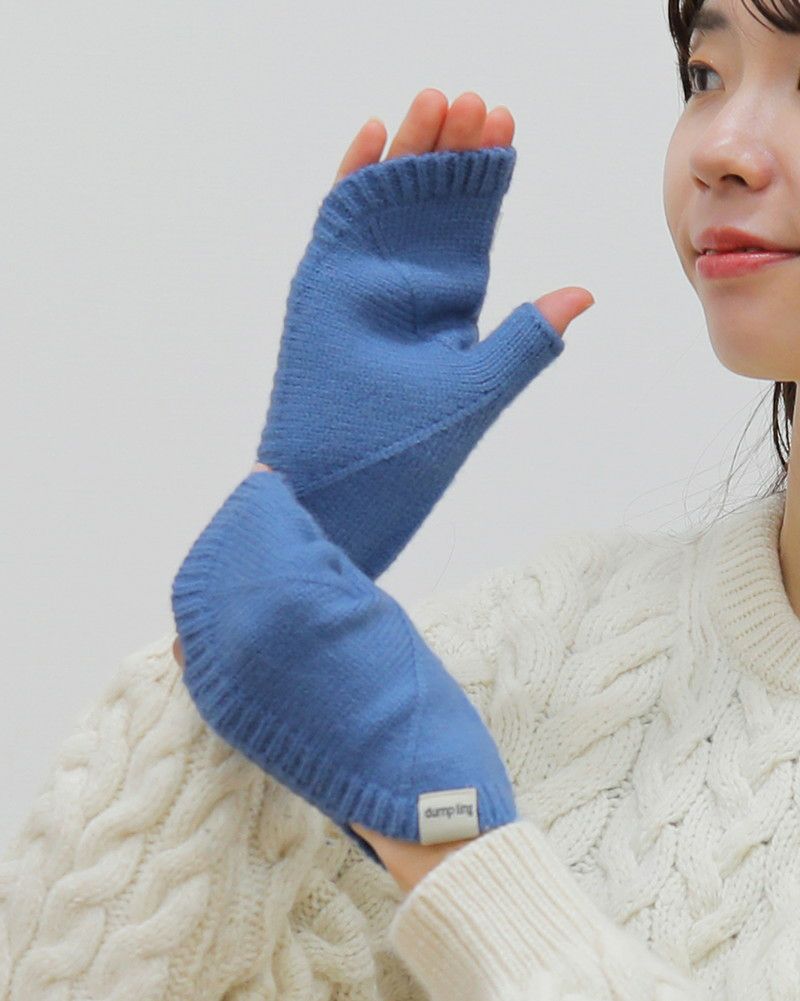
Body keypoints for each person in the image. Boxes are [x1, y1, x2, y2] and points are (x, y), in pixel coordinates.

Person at [2, 1, 800, 998]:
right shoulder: (549, 650)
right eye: (705, 76)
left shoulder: (440, 741)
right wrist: (275, 568)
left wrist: (466, 861)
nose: (717, 148)